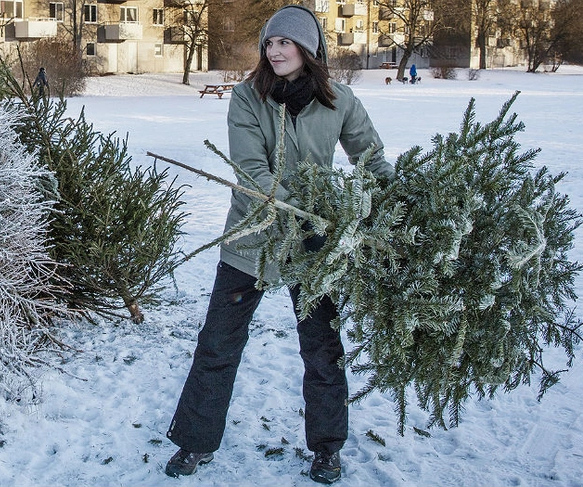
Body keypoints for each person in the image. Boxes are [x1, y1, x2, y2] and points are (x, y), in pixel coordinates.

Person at [164, 5, 394, 485]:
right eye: (269, 43)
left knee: (322, 349)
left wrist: (401, 203)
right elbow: (252, 171)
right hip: (252, 240)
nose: (274, 51)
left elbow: (371, 160)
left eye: (284, 42)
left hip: (315, 247)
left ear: (307, 50)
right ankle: (195, 442)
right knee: (218, 345)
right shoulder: (247, 99)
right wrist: (301, 214)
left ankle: (327, 449)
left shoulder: (340, 101)